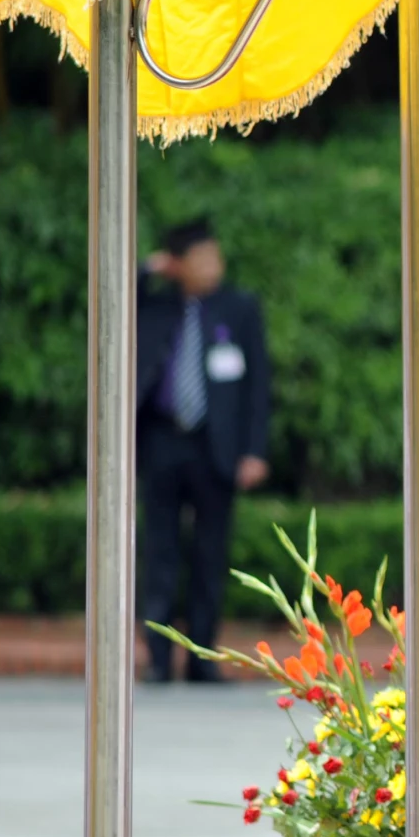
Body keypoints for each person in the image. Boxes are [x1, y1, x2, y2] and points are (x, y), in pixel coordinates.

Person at [135, 216, 272, 685]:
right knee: (159, 553)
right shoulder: (154, 306)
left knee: (211, 555)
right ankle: (157, 658)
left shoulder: (238, 308)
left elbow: (258, 384)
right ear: (179, 264)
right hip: (162, 441)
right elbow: (109, 302)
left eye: (215, 256)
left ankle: (201, 659)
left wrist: (254, 450)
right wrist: (148, 269)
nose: (213, 265)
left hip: (217, 447)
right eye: (200, 258)